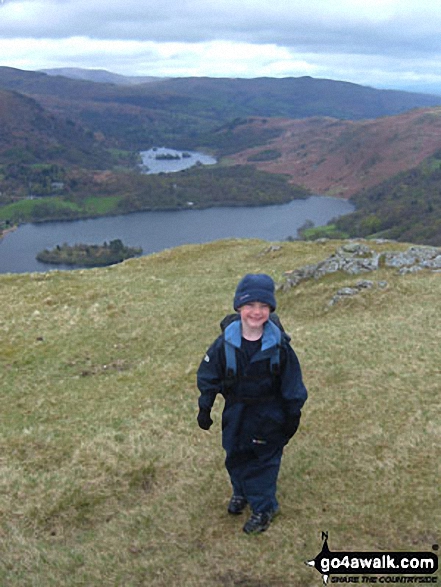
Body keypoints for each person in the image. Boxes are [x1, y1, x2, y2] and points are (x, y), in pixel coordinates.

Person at [196, 273, 307, 534]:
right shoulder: (224, 344)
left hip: (269, 415)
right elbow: (208, 376)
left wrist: (293, 415)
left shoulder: (280, 347)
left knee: (263, 462)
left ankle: (263, 508)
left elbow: (292, 383)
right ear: (239, 307)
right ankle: (241, 492)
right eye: (250, 305)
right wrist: (205, 407)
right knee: (235, 454)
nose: (256, 312)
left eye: (263, 306)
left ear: (270, 309)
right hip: (235, 412)